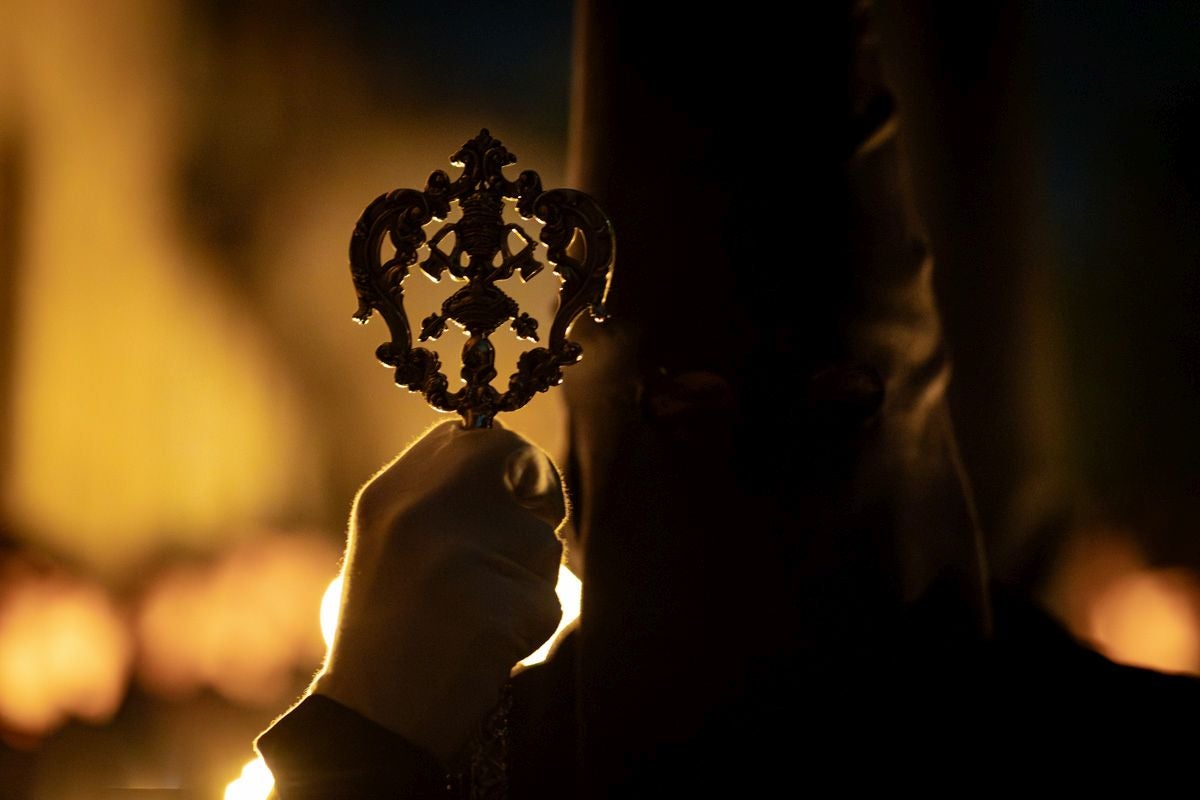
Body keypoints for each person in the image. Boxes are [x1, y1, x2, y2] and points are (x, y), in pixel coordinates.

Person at [258, 2, 1200, 795]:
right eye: (687, 408)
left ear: (915, 403)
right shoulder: (490, 758)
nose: (767, 463)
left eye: (836, 402)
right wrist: (367, 727)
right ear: (602, 437)